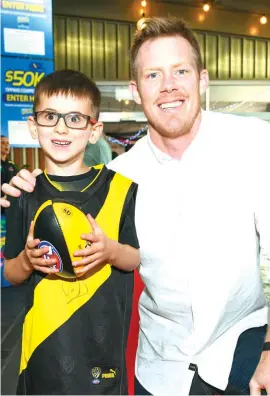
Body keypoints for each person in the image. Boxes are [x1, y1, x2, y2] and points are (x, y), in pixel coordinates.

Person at [2, 17, 270, 396]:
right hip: (159, 367)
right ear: (135, 89)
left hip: (244, 350)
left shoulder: (254, 143)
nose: (169, 86)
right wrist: (24, 185)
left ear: (202, 79)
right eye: (153, 75)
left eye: (180, 70)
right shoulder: (117, 178)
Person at [3, 69, 140, 395]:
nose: (62, 127)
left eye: (76, 118)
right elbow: (11, 271)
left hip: (102, 354)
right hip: (42, 354)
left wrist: (109, 250)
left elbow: (134, 257)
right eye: (50, 116)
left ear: (94, 131)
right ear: (34, 126)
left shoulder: (121, 189)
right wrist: (28, 259)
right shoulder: (25, 192)